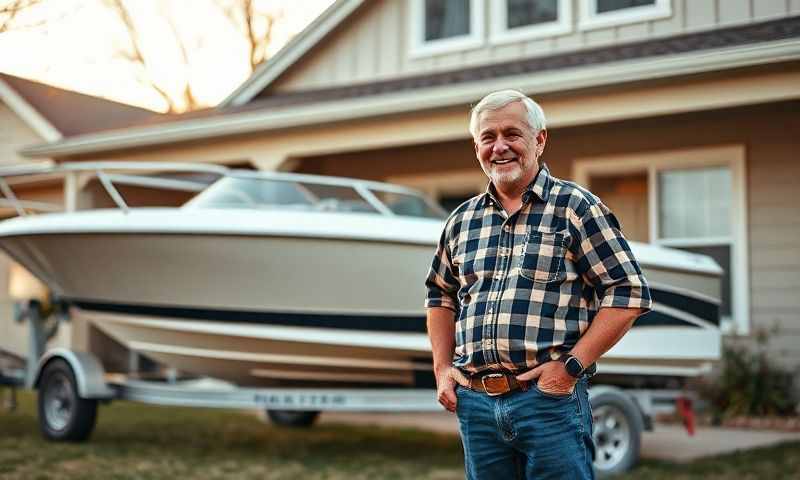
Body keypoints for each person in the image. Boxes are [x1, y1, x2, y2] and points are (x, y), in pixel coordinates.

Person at [424, 90, 652, 479]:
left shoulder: (576, 208)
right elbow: (440, 294)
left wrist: (570, 367)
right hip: (476, 405)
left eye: (512, 134)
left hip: (549, 402)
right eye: (488, 137)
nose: (499, 147)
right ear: (476, 146)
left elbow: (628, 292)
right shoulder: (461, 221)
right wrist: (443, 368)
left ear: (539, 140)